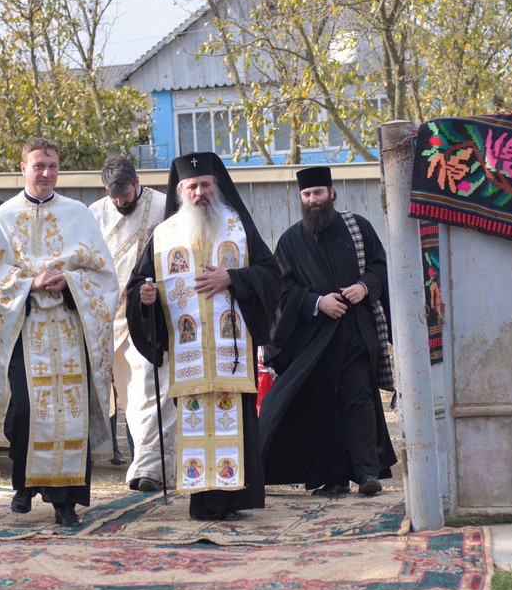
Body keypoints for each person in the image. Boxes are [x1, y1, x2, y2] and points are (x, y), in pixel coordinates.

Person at [0, 138, 117, 528]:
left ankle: (66, 503)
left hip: (69, 328)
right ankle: (24, 485)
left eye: (53, 166)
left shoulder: (79, 215)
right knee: (27, 411)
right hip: (23, 331)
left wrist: (70, 281)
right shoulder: (4, 218)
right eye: (39, 165)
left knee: (70, 417)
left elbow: (103, 274)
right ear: (23, 168)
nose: (46, 172)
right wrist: (31, 282)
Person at [126, 151, 281, 521]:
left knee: (237, 424)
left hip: (232, 352)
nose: (200, 192)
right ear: (181, 191)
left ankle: (235, 500)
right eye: (192, 186)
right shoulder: (164, 235)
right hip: (190, 354)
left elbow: (271, 273)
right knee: (195, 423)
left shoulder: (238, 227)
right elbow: (139, 285)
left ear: (217, 185)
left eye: (206, 184)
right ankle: (204, 501)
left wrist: (233, 278)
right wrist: (144, 298)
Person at [259, 166, 396, 495]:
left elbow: (380, 266)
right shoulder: (290, 240)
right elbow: (282, 288)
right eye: (307, 194)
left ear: (332, 193)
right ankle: (333, 479)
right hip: (314, 341)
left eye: (318, 192)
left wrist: (364, 287)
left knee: (359, 398)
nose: (313, 199)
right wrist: (317, 302)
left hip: (356, 331)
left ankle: (367, 473)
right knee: (325, 405)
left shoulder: (358, 227)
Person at [88, 154, 171, 490]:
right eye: (114, 198)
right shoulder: (95, 213)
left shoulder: (164, 207)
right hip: (109, 320)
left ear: (137, 182)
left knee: (151, 393)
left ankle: (151, 469)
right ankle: (141, 464)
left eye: (125, 195)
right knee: (128, 399)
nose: (120, 203)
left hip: (149, 315)